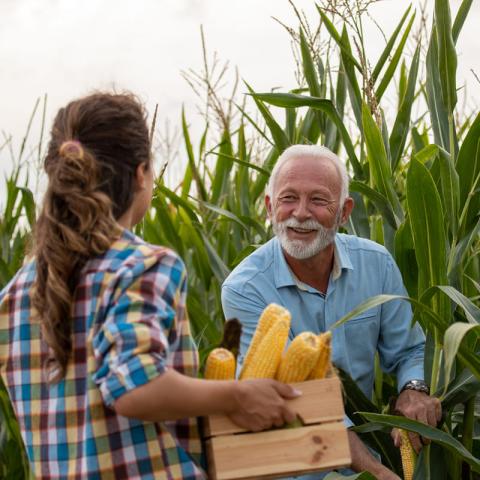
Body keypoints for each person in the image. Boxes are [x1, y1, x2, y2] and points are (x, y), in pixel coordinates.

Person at [0, 92, 300, 479]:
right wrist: (237, 394)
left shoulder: (17, 293)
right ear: (141, 173)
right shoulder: (142, 266)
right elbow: (135, 385)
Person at [221, 144, 442, 480]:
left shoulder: (377, 264)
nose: (301, 213)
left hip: (366, 457)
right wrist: (377, 472)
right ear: (269, 206)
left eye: (319, 200)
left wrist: (414, 388)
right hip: (291, 467)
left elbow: (410, 349)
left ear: (344, 212)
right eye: (288, 198)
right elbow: (301, 401)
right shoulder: (245, 289)